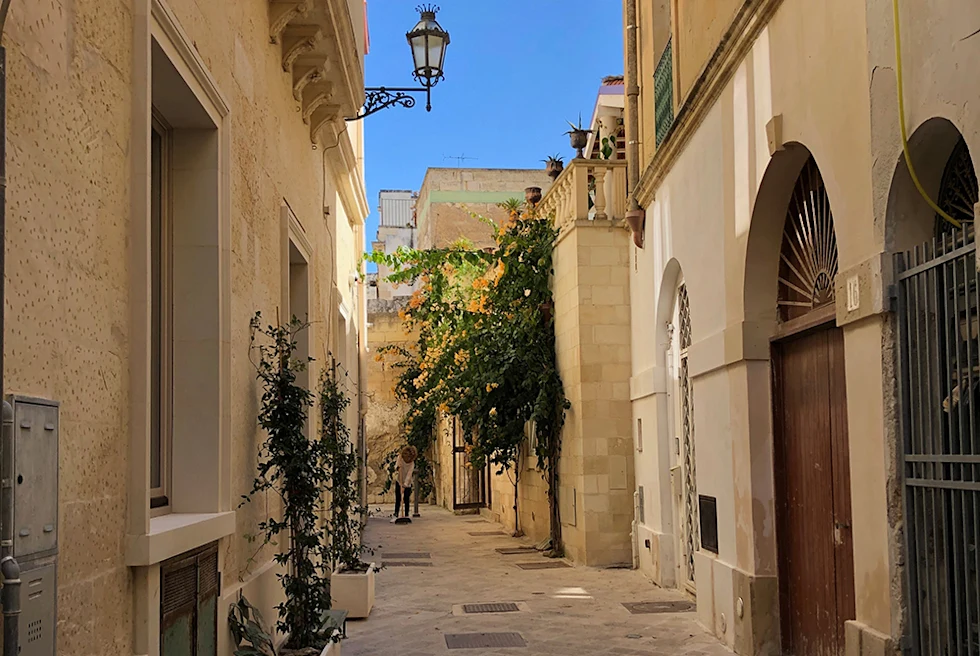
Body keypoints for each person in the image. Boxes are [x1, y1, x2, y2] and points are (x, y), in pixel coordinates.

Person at [393, 445, 417, 520]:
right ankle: (396, 514)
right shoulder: (400, 458)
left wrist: (404, 486)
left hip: (407, 483)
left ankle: (406, 514)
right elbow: (396, 466)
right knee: (398, 498)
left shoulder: (412, 464)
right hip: (399, 480)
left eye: (409, 457)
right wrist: (397, 467)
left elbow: (409, 475)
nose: (407, 458)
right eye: (405, 456)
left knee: (406, 499)